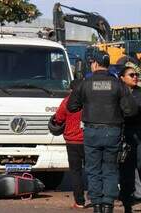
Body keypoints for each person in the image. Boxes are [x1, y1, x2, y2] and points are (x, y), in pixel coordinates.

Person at [67, 49, 138, 213]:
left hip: (91, 132)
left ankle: (97, 206)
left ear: (95, 64)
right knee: (110, 169)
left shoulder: (85, 84)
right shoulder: (118, 85)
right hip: (113, 132)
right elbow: (131, 110)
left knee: (93, 170)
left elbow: (72, 106)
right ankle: (108, 206)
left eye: (91, 63)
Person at [54, 79, 85, 209]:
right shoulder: (90, 100)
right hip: (89, 140)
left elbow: (59, 118)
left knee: (76, 172)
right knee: (95, 171)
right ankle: (99, 200)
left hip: (72, 141)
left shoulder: (67, 101)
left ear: (71, 90)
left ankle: (79, 202)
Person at [118, 61, 141, 213]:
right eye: (131, 75)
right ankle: (127, 199)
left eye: (136, 75)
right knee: (125, 169)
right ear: (122, 78)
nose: (135, 77)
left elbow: (133, 111)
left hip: (138, 135)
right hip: (122, 135)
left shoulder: (139, 93)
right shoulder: (118, 92)